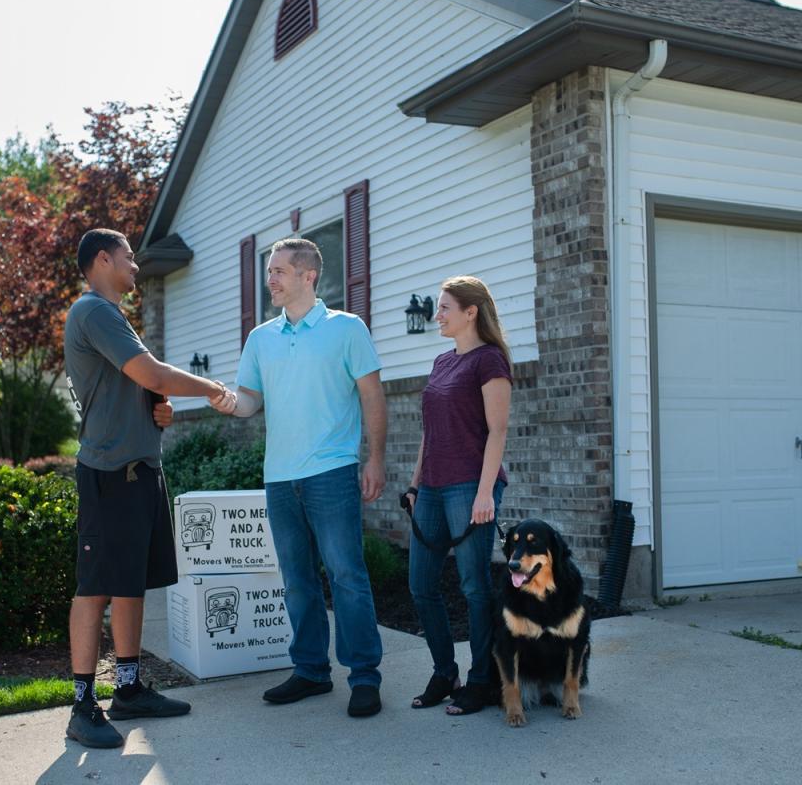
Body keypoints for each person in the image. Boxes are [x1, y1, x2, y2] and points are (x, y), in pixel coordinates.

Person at [63, 228, 230, 749]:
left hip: (139, 468)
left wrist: (158, 408)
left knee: (131, 582)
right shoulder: (92, 312)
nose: (135, 266)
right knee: (95, 588)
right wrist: (214, 389)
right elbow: (149, 370)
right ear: (103, 259)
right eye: (129, 258)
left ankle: (129, 687)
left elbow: (141, 385)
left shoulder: (114, 317)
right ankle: (82, 703)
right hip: (109, 472)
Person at [209, 238, 387, 718]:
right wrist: (227, 400)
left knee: (347, 575)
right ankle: (310, 671)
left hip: (332, 471)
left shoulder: (346, 328)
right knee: (296, 580)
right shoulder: (260, 338)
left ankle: (364, 677)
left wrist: (375, 459)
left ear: (309, 276)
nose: (270, 279)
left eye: (279, 271)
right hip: (280, 478)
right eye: (269, 271)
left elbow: (372, 396)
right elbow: (250, 402)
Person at [405, 275, 513, 716]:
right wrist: (414, 484)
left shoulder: (490, 360)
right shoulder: (441, 362)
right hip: (431, 488)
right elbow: (428, 434)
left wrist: (485, 492)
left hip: (470, 485)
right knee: (420, 585)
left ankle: (482, 680)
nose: (437, 315)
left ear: (471, 312)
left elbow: (497, 430)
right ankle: (444, 671)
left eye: (445, 307)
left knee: (473, 586)